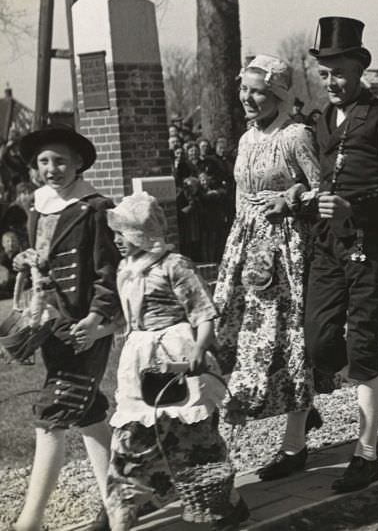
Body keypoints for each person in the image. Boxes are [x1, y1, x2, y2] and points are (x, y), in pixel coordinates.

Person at [304, 17, 378, 492]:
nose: (332, 82)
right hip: (327, 249)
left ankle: (366, 452)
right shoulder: (317, 122)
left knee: (364, 347)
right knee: (318, 344)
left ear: (361, 69)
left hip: (371, 248)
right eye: (324, 73)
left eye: (340, 73)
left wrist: (357, 206)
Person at [104, 192, 248, 530]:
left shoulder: (174, 264)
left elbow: (204, 311)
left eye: (123, 233)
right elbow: (125, 317)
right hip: (140, 360)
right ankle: (119, 510)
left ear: (143, 232)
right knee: (132, 436)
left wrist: (200, 347)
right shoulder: (126, 268)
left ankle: (226, 502)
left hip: (175, 356)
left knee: (193, 436)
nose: (117, 240)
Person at [213, 54, 326, 482]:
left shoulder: (296, 136)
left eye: (258, 91)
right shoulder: (246, 139)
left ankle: (294, 444)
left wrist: (293, 198)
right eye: (244, 89)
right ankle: (235, 436)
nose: (248, 98)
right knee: (239, 339)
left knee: (290, 341)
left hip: (288, 250)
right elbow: (242, 198)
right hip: (247, 251)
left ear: (278, 94)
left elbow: (324, 190)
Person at [12, 125, 121, 531]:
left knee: (51, 413)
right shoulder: (38, 206)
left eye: (60, 160)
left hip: (84, 329)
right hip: (50, 324)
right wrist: (26, 260)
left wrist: (97, 320)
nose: (51, 168)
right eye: (43, 161)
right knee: (89, 412)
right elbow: (43, 259)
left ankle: (31, 520)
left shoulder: (93, 208)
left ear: (78, 163)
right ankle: (117, 505)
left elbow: (108, 273)